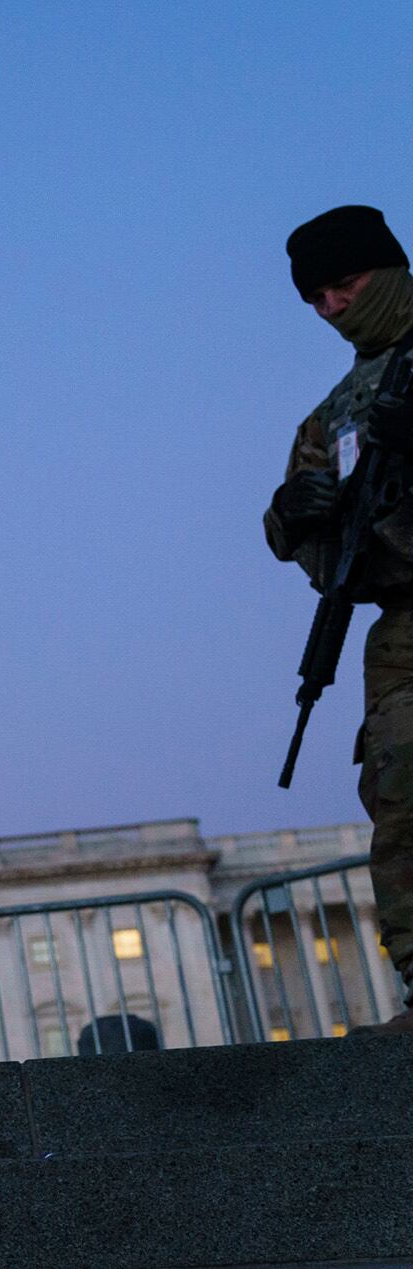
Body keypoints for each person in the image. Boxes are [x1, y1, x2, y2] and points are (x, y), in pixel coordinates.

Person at [266, 204, 413, 1035]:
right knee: (402, 793)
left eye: (345, 286)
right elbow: (292, 530)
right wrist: (296, 511)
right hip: (401, 618)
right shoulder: (336, 410)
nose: (333, 309)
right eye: (316, 298)